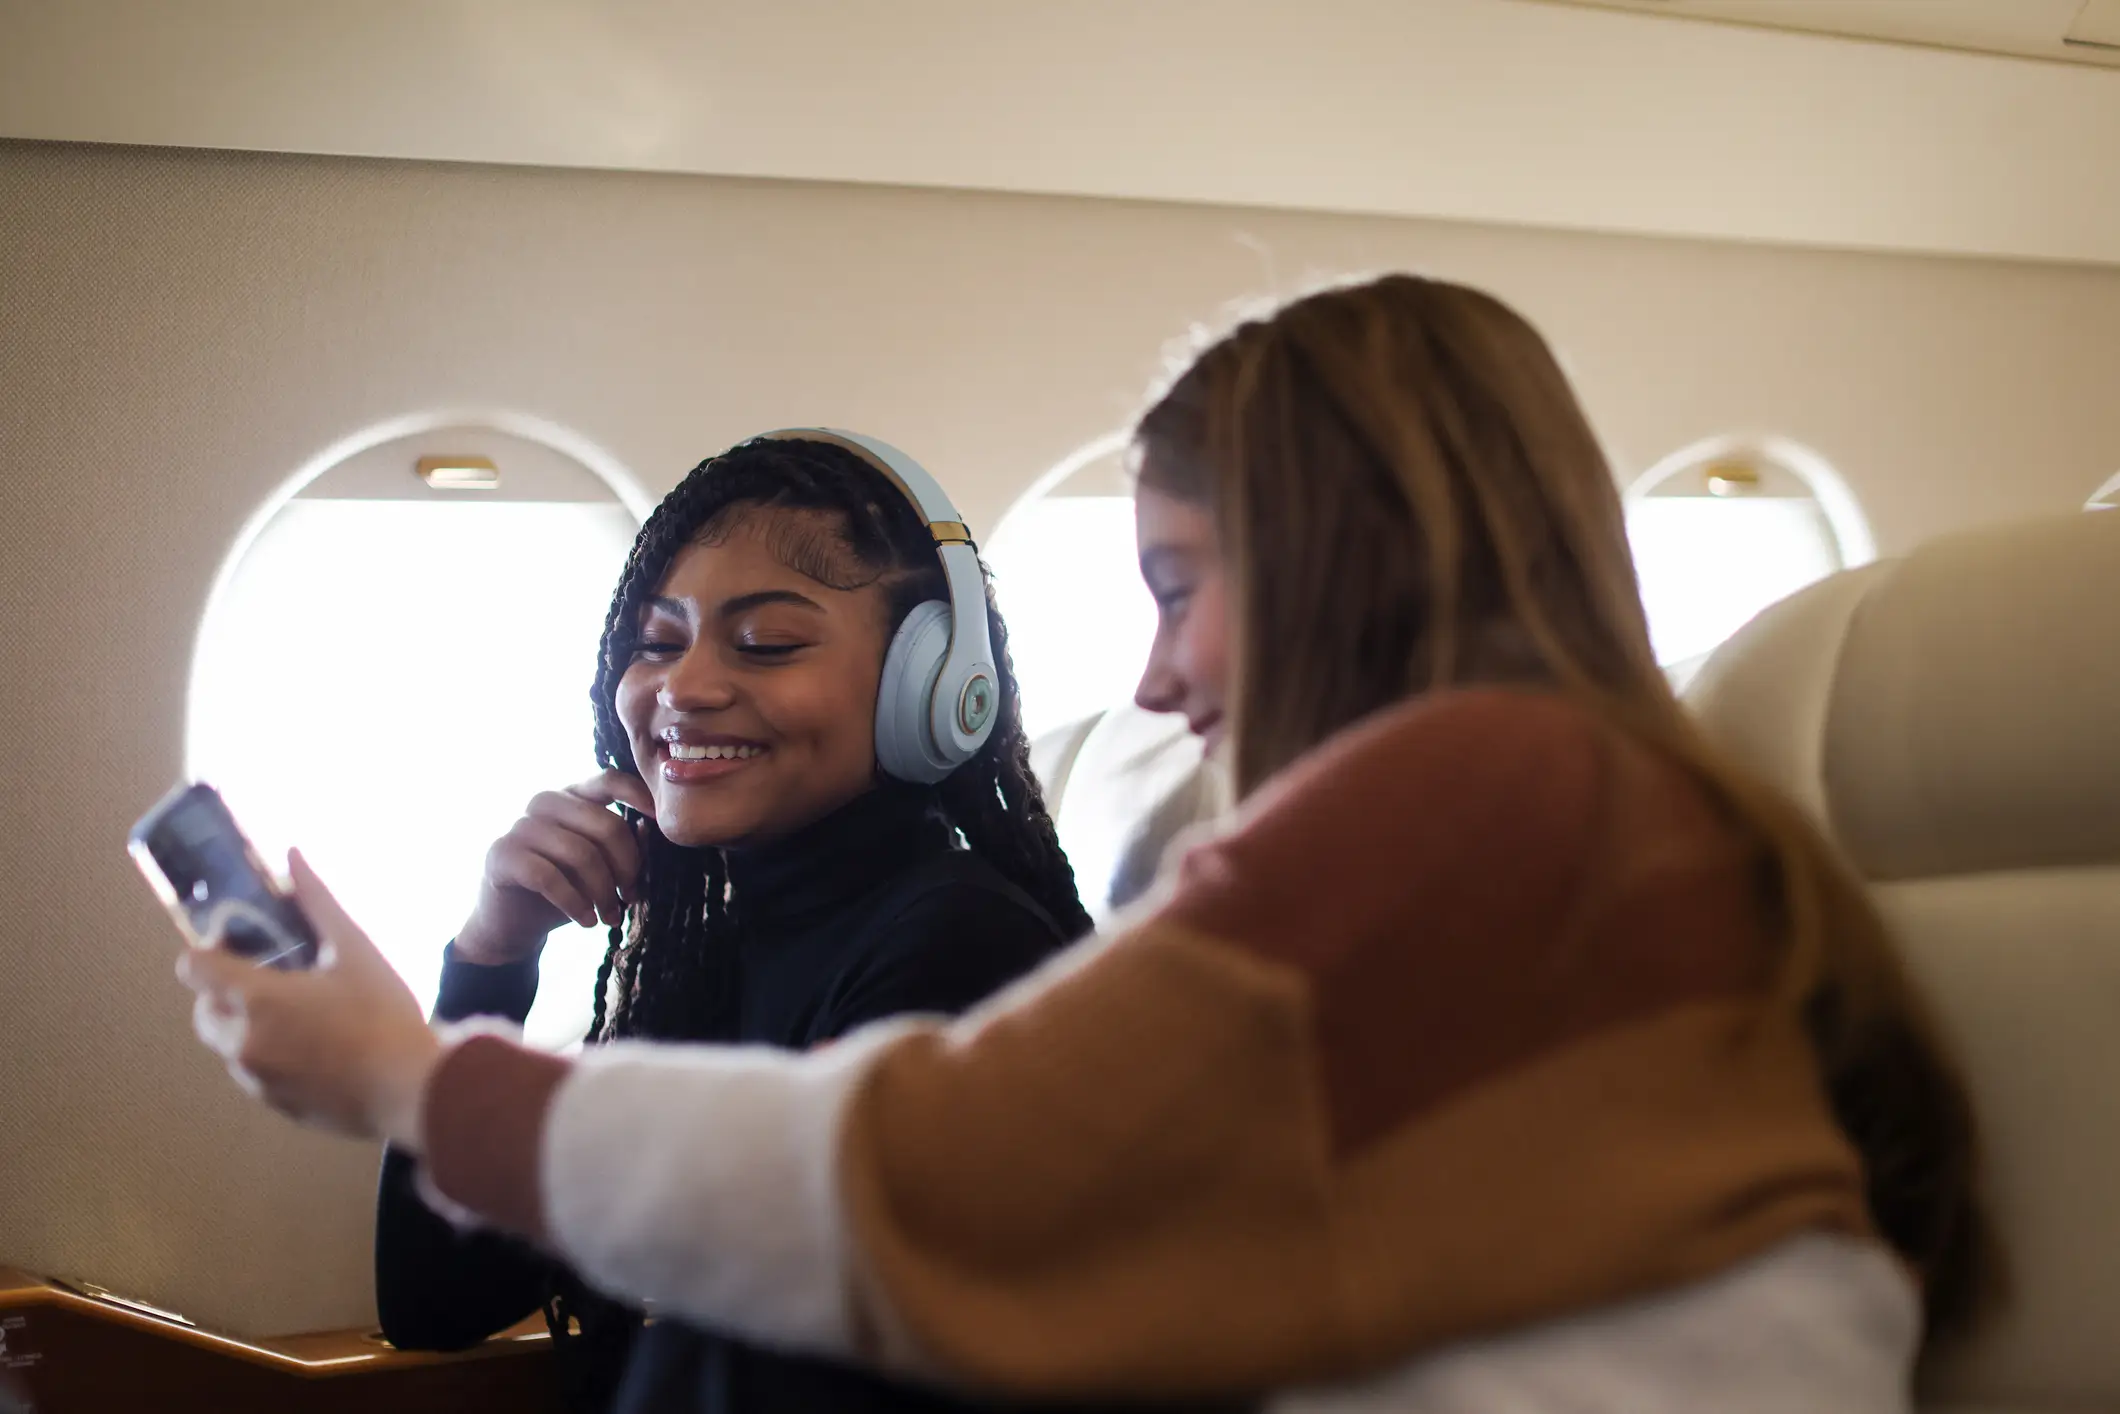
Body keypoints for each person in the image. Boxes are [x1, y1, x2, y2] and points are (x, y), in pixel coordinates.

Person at [179, 276, 1996, 1411]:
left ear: (1331, 556)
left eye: (1183, 584)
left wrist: (412, 1075)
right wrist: (482, 973)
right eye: (658, 634)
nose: (1156, 667)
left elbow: (932, 1182)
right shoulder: (1602, 807)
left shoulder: (1483, 794)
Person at [368, 432, 1092, 1413]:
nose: (684, 687)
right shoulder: (707, 951)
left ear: (928, 686)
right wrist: (493, 955)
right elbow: (436, 1297)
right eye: (657, 642)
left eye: (766, 644)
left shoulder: (956, 954)